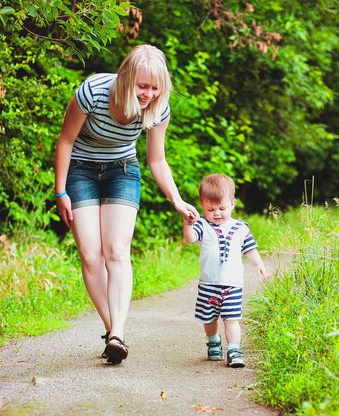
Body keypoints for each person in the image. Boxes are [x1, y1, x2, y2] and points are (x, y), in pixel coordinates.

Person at [54, 44, 199, 365]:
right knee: (91, 255)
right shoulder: (92, 92)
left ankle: (117, 333)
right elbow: (65, 140)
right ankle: (112, 333)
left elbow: (157, 160)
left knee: (116, 251)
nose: (148, 94)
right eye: (142, 86)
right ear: (125, 77)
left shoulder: (158, 108)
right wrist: (60, 191)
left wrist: (176, 200)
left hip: (122, 170)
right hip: (80, 170)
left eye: (155, 87)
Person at [183, 173, 268, 368]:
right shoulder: (202, 225)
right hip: (209, 283)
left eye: (222, 208)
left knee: (232, 318)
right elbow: (189, 239)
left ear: (232, 203)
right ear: (203, 206)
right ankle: (213, 341)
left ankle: (234, 349)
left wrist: (259, 263)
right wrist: (187, 224)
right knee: (209, 317)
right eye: (210, 209)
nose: (217, 213)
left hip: (232, 284)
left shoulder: (240, 228)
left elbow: (250, 248)